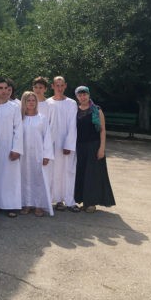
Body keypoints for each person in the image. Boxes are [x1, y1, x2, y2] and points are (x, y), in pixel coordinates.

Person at [74, 86, 115, 213]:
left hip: (94, 146)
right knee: (81, 173)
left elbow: (102, 130)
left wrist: (102, 148)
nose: (83, 97)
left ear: (89, 95)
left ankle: (91, 203)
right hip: (79, 146)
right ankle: (83, 200)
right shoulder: (75, 110)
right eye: (80, 95)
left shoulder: (96, 110)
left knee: (92, 175)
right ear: (77, 97)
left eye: (85, 94)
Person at [0, 78, 23, 218]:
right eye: (0, 88)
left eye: (5, 88)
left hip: (9, 148)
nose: (3, 91)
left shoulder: (14, 107)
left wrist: (17, 149)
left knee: (9, 177)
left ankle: (11, 205)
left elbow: (18, 129)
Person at [19, 91, 54, 217]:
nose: (31, 103)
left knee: (39, 179)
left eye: (33, 100)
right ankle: (27, 204)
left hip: (38, 154)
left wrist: (46, 155)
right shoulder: (20, 118)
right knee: (25, 178)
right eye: (28, 100)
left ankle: (39, 205)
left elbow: (47, 137)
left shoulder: (42, 118)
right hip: (23, 154)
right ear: (24, 102)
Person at [47, 76, 79, 212]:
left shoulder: (71, 103)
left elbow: (73, 125)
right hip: (53, 144)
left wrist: (68, 144)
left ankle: (70, 201)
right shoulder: (48, 103)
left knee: (69, 171)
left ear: (65, 86)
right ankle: (57, 200)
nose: (59, 88)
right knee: (54, 172)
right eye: (57, 85)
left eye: (61, 85)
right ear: (52, 86)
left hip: (67, 144)